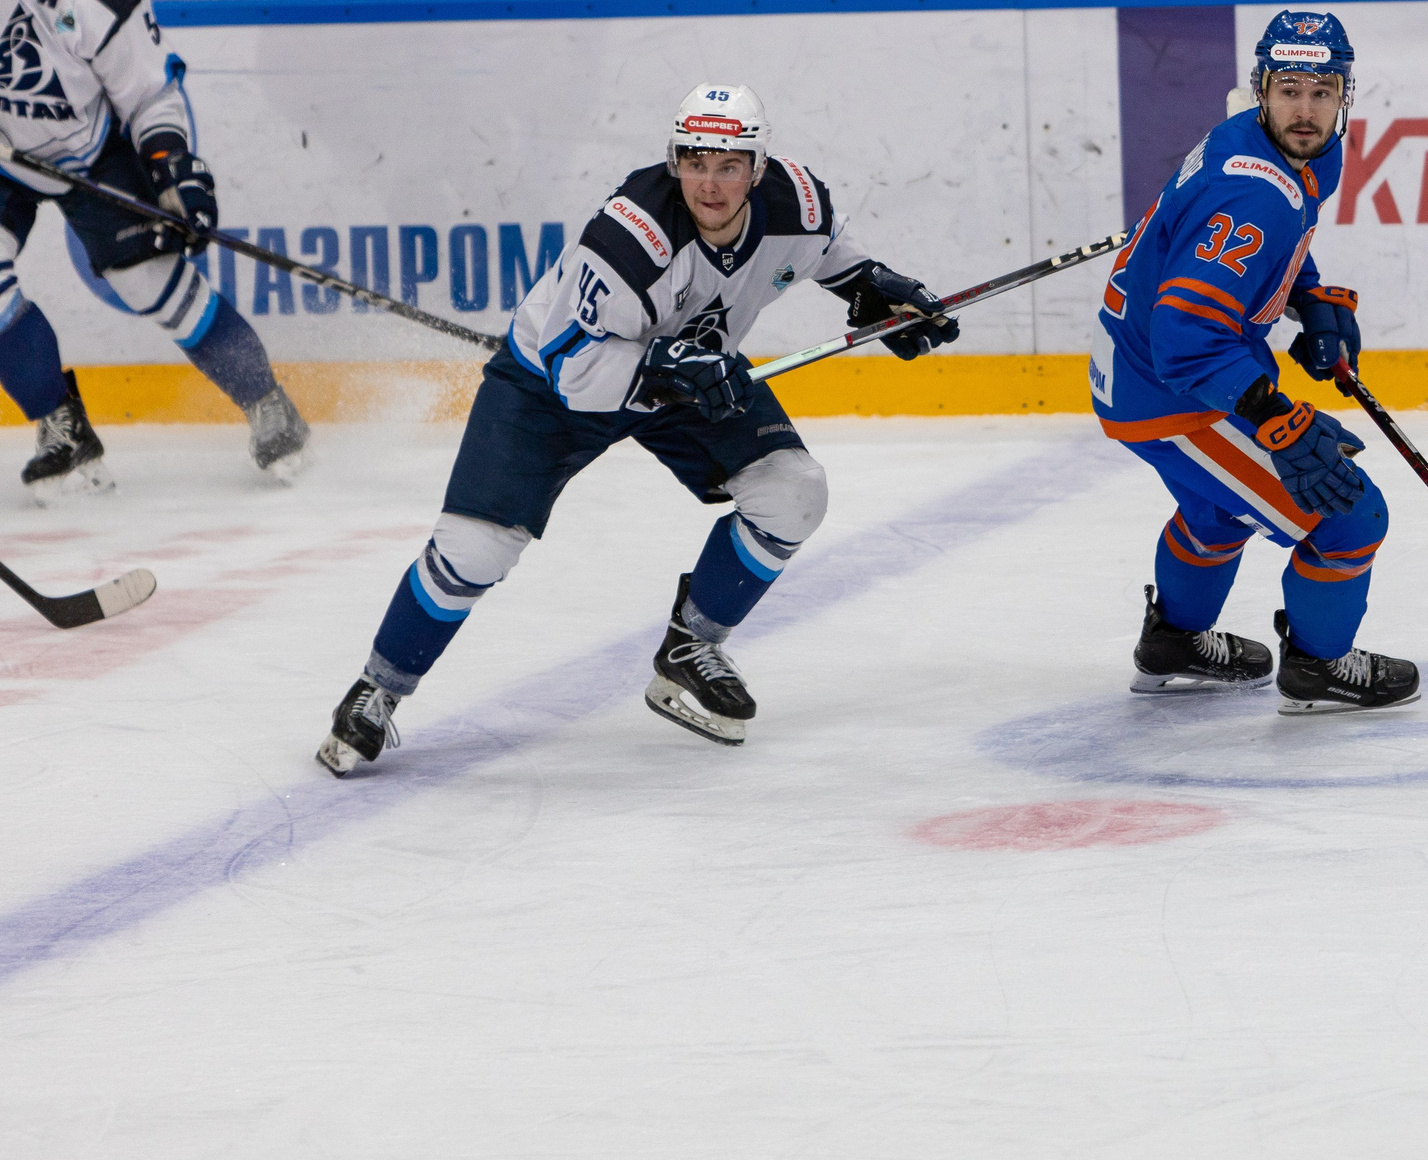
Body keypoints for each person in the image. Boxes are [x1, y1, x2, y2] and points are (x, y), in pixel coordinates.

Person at [315, 83, 960, 777]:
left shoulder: (796, 202)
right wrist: (663, 362)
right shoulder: (631, 237)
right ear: (674, 159)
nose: (709, 183)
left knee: (794, 489)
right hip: (553, 385)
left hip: (687, 370)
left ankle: (692, 644)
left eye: (729, 164)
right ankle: (378, 687)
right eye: (694, 161)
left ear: (759, 168)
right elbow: (573, 368)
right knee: (475, 550)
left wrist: (875, 288)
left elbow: (826, 251)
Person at [1088, 9, 1417, 712]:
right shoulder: (1252, 191)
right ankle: (1319, 665)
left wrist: (1310, 295)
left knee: (1217, 511)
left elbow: (1270, 242)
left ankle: (1173, 643)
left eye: (1322, 91)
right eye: (1290, 89)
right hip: (1166, 385)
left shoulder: (1281, 150)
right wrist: (1276, 418)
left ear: (1344, 97)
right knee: (1350, 514)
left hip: (1134, 366)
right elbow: (1185, 336)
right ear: (1262, 87)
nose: (1305, 109)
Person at [0, 0, 309, 499]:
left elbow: (149, 95)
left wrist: (172, 166)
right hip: (4, 158)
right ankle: (62, 426)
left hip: (92, 152)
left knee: (152, 284)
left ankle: (265, 400)